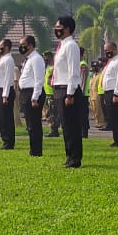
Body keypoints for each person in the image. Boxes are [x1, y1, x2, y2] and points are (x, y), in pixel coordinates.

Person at [52, 16, 84, 168]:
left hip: (67, 89)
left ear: (68, 29)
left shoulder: (71, 45)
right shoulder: (62, 46)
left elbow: (73, 71)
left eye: (59, 27)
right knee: (65, 125)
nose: (56, 30)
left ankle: (75, 158)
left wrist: (70, 93)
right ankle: (69, 155)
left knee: (71, 125)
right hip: (59, 88)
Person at [17, 35, 46, 157]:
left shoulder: (36, 59)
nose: (21, 47)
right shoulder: (28, 59)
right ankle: (33, 148)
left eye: (23, 44)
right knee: (30, 123)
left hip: (33, 92)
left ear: (30, 45)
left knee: (34, 123)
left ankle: (36, 150)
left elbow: (39, 80)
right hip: (26, 92)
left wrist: (35, 97)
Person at [100, 42, 118, 147]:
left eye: (108, 50)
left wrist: (116, 94)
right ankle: (116, 139)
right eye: (105, 51)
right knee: (112, 117)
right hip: (108, 92)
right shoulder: (111, 62)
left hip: (115, 93)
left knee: (117, 117)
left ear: (114, 49)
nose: (107, 52)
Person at [0, 39, 17, 150]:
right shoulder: (2, 59)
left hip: (5, 90)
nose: (0, 48)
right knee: (2, 117)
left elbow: (8, 78)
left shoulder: (8, 59)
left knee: (6, 117)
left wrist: (5, 95)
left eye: (1, 46)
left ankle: (9, 141)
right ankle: (5, 139)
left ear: (7, 47)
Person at [42, 50, 58, 137]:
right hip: (48, 93)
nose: (45, 59)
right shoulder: (48, 67)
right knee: (49, 112)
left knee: (52, 113)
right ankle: (52, 129)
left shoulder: (53, 67)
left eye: (46, 57)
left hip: (52, 93)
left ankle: (54, 130)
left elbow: (52, 80)